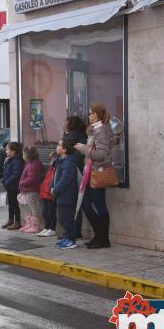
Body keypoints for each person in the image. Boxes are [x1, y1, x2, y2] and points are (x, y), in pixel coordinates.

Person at [74, 103, 115, 249]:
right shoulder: (95, 129)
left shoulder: (102, 130)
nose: (88, 115)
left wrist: (83, 148)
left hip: (98, 172)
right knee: (87, 204)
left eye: (90, 113)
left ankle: (103, 239)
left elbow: (101, 154)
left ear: (96, 114)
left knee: (99, 205)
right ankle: (99, 236)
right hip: (91, 172)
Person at [52, 139, 79, 249]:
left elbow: (65, 180)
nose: (57, 147)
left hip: (67, 195)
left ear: (64, 149)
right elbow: (56, 178)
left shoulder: (69, 162)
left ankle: (71, 240)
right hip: (61, 195)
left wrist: (55, 189)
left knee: (67, 218)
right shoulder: (61, 160)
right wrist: (53, 188)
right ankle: (67, 237)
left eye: (59, 145)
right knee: (63, 218)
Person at [64, 116, 88, 240]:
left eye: (66, 123)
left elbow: (71, 156)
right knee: (76, 206)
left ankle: (72, 232)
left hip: (75, 174)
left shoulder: (70, 138)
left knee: (72, 206)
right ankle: (75, 231)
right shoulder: (83, 136)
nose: (64, 125)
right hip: (80, 173)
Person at [18, 146, 43, 233]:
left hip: (31, 190)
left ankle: (35, 226)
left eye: (23, 155)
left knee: (33, 208)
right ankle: (29, 224)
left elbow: (32, 179)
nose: (23, 156)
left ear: (28, 156)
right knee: (29, 207)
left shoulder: (33, 165)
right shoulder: (29, 164)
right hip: (28, 190)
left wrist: (22, 183)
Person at [1, 142, 24, 230]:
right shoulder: (10, 160)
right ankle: (10, 220)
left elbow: (16, 174)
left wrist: (8, 181)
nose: (6, 151)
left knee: (15, 204)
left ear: (13, 151)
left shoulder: (17, 161)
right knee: (10, 204)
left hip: (14, 187)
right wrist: (4, 180)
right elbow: (6, 171)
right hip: (10, 186)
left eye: (7, 149)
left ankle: (17, 222)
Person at [38, 151, 58, 237]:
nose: (50, 161)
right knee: (45, 213)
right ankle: (46, 227)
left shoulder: (56, 169)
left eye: (52, 159)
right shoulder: (50, 168)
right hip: (45, 194)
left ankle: (52, 228)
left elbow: (52, 182)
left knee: (51, 213)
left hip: (50, 194)